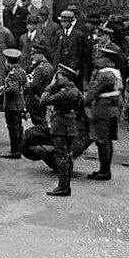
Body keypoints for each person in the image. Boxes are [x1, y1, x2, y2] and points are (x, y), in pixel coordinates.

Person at [40, 64, 82, 197]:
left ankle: (63, 186)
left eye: (58, 77)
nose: (56, 79)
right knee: (68, 155)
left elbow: (44, 100)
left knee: (61, 156)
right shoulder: (76, 91)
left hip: (61, 126)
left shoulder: (66, 92)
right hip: (70, 125)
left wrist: (50, 86)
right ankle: (65, 185)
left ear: (65, 77)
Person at [83, 47, 123, 180]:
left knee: (102, 141)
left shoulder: (104, 74)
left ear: (107, 59)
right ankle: (105, 170)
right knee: (107, 141)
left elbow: (92, 92)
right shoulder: (116, 73)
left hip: (102, 110)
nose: (97, 60)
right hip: (112, 109)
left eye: (99, 57)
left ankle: (104, 171)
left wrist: (84, 102)